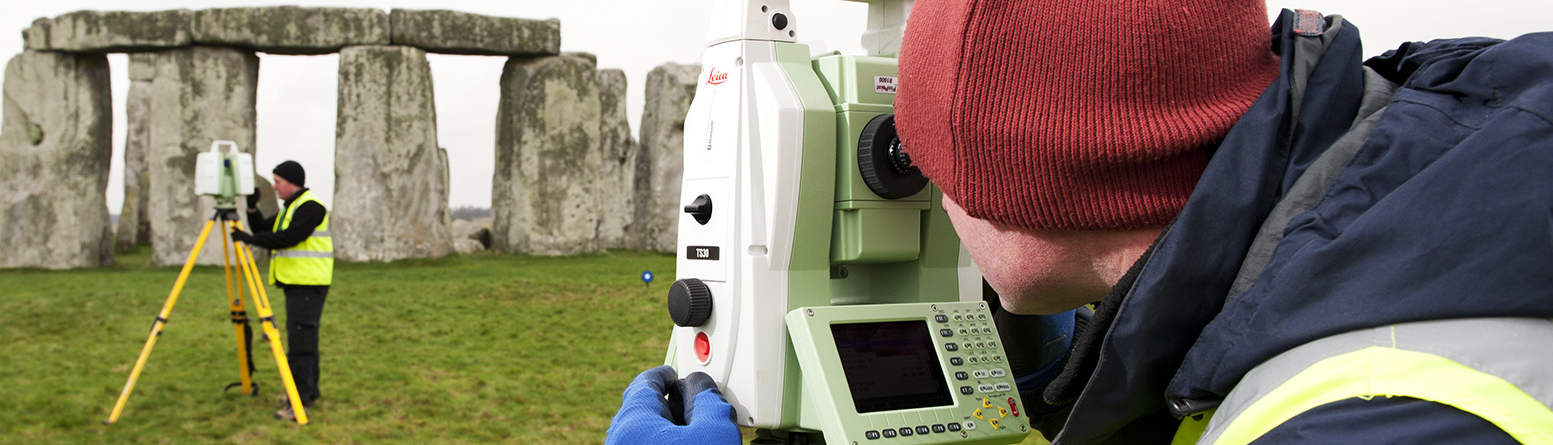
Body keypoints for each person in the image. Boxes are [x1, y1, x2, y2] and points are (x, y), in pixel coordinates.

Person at [610, 1, 1553, 443]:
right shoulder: (1461, 137)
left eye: (944, 173)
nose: (937, 202)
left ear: (1027, 190)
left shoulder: (1363, 414)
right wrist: (1122, 361)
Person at [232, 160, 333, 421]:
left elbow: (290, 237)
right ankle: (308, 392)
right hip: (298, 284)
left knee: (300, 344)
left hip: (308, 284)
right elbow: (263, 228)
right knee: (305, 341)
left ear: (292, 182)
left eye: (278, 182)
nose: (275, 187)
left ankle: (297, 401)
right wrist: (252, 207)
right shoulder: (291, 208)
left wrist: (249, 241)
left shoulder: (311, 207)